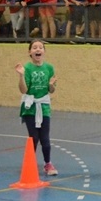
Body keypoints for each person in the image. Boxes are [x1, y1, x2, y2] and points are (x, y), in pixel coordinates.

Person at [15, 39, 58, 176]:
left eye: (40, 47)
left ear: (44, 51)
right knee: (33, 137)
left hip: (44, 106)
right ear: (30, 52)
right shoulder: (27, 68)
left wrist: (51, 85)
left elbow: (51, 90)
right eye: (34, 47)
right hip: (30, 106)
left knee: (45, 137)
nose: (38, 49)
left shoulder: (49, 68)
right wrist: (21, 76)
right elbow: (23, 90)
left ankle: (48, 163)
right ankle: (30, 163)